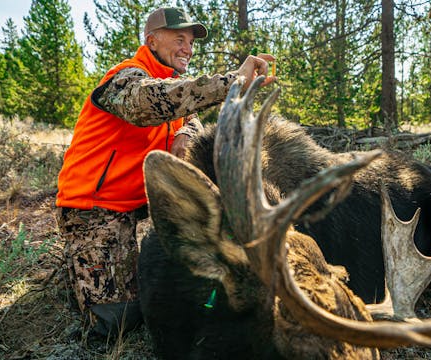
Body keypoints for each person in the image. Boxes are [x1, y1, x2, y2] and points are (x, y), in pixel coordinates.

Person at [55, 6, 276, 336]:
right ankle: (80, 268)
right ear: (152, 41)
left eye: (190, 41)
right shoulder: (125, 78)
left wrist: (187, 133)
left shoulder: (171, 83)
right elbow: (150, 102)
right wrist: (234, 81)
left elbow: (187, 114)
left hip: (137, 202)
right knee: (118, 321)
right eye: (179, 39)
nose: (187, 48)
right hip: (95, 210)